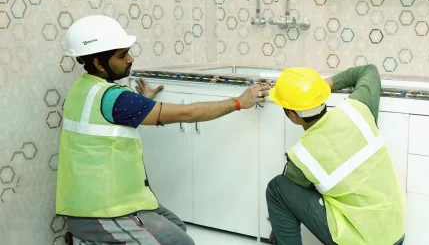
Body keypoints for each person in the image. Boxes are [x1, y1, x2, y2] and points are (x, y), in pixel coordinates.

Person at [56, 14, 270, 244]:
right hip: (100, 211)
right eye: (122, 55)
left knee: (176, 227)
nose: (130, 59)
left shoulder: (84, 89)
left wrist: (142, 104)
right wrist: (239, 102)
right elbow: (187, 114)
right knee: (181, 243)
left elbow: (108, 121)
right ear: (98, 63)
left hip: (102, 201)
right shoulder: (115, 99)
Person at [266, 65, 405, 245]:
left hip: (361, 242)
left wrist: (277, 231)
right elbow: (369, 71)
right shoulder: (358, 109)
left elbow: (290, 199)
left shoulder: (301, 158)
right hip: (395, 234)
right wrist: (320, 88)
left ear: (292, 115)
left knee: (277, 188)